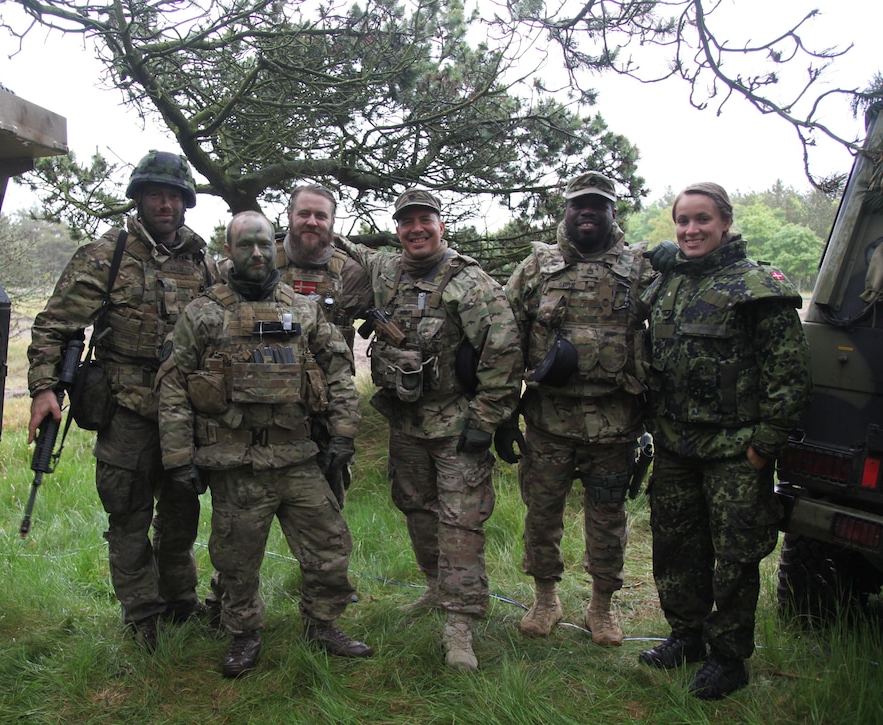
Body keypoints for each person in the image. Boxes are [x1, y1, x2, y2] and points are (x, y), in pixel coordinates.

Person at [158, 211, 373, 679]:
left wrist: (343, 433)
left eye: (261, 243)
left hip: (298, 457)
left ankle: (323, 625)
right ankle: (243, 633)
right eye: (244, 246)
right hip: (237, 462)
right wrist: (178, 458)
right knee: (237, 560)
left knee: (329, 546)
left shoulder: (304, 308)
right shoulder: (204, 313)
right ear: (229, 251)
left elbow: (337, 372)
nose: (255, 253)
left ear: (269, 245)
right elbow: (173, 387)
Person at [27, 150, 218, 650]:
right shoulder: (107, 255)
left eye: (174, 195)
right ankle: (142, 617)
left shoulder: (203, 263)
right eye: (156, 192)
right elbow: (55, 325)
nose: (165, 202)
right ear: (139, 197)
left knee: (181, 516)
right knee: (128, 518)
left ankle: (180, 602)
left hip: (184, 415)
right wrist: (44, 390)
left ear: (186, 203)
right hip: (126, 411)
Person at [335, 189, 522, 671]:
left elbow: (503, 353)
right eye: (406, 223)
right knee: (415, 506)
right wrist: (304, 225)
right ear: (397, 229)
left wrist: (486, 421)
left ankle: (459, 627)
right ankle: (436, 588)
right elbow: (342, 246)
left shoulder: (469, 283)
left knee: (460, 522)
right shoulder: (386, 271)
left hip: (457, 424)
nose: (416, 230)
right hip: (406, 422)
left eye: (425, 220)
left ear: (441, 224)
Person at [638, 182, 811, 700]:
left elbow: (790, 373)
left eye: (702, 220)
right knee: (675, 547)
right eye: (683, 221)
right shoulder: (668, 282)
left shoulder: (757, 285)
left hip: (735, 451)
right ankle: (685, 636)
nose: (691, 230)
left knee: (734, 558)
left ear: (725, 223)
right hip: (673, 444)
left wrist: (765, 444)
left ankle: (729, 658)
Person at [503, 171, 658, 647]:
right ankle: (546, 599)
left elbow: (671, 327)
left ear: (613, 213)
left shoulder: (640, 269)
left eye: (598, 205)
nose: (587, 212)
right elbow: (505, 337)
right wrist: (505, 412)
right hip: (549, 424)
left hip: (615, 426)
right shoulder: (536, 268)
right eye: (578, 205)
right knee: (542, 515)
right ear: (565, 212)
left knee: (608, 519)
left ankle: (601, 608)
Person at [276, 184, 373, 507]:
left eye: (321, 215)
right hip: (265, 408)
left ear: (333, 221)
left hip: (327, 412)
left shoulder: (352, 272)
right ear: (289, 216)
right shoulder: (263, 260)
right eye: (304, 213)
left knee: (327, 519)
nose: (312, 222)